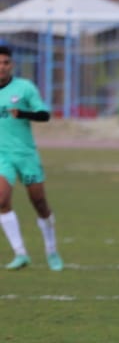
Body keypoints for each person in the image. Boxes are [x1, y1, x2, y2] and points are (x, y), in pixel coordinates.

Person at [0, 45, 63, 271]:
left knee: (39, 203)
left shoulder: (24, 88)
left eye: (6, 62)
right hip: (2, 156)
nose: (2, 67)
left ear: (12, 65)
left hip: (25, 155)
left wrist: (24, 113)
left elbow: (45, 114)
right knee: (1, 201)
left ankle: (51, 250)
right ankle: (20, 253)